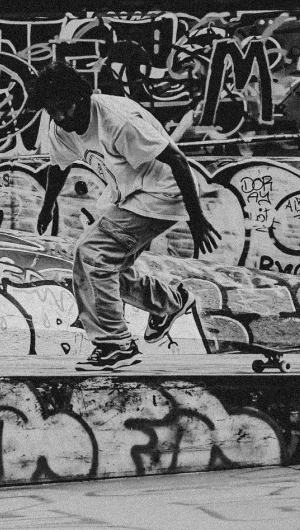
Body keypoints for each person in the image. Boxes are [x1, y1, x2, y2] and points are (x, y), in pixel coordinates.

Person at [28, 63, 217, 370]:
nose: (61, 118)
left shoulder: (117, 121)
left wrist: (196, 219)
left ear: (81, 97)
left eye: (64, 109)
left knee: (93, 254)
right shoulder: (60, 127)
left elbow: (178, 161)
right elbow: (58, 167)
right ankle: (169, 303)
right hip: (128, 193)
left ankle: (115, 345)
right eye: (53, 112)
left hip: (163, 192)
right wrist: (46, 207)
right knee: (105, 265)